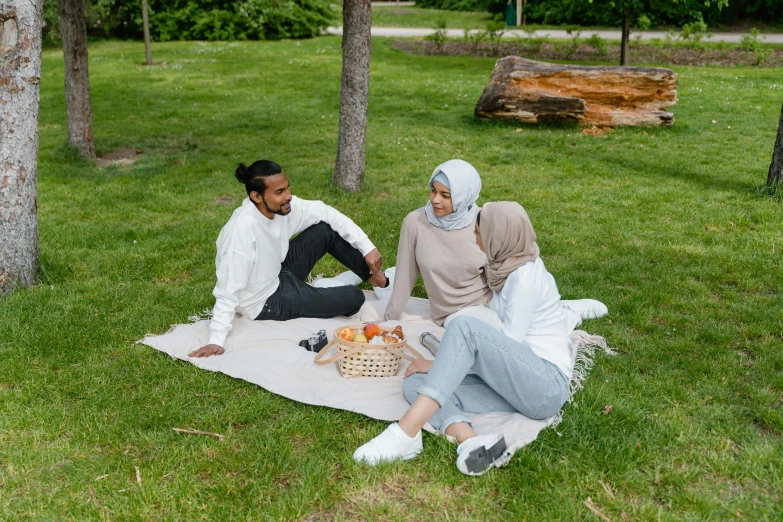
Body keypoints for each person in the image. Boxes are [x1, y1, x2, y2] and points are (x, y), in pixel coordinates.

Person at [353, 202, 574, 476]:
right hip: (516, 384)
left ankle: (405, 432)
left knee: (465, 327)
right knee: (417, 383)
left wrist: (439, 363)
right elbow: (501, 358)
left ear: (498, 236)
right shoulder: (507, 266)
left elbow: (509, 345)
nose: (476, 237)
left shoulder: (525, 278)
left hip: (544, 386)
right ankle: (470, 442)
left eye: (480, 231)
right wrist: (439, 367)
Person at [189, 160, 389, 358]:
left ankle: (371, 276)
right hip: (265, 301)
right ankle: (320, 291)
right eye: (279, 192)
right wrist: (216, 339)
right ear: (256, 196)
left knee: (324, 230)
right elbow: (227, 289)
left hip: (277, 272)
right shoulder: (240, 233)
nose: (288, 196)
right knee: (354, 297)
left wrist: (367, 247)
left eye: (287, 188)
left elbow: (324, 211)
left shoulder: (282, 208)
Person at [384, 159, 492, 326]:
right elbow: (405, 276)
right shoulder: (415, 222)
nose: (435, 199)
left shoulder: (484, 222)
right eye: (433, 191)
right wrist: (388, 322)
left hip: (488, 306)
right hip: (453, 316)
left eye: (445, 195)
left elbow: (498, 278)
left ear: (464, 196)